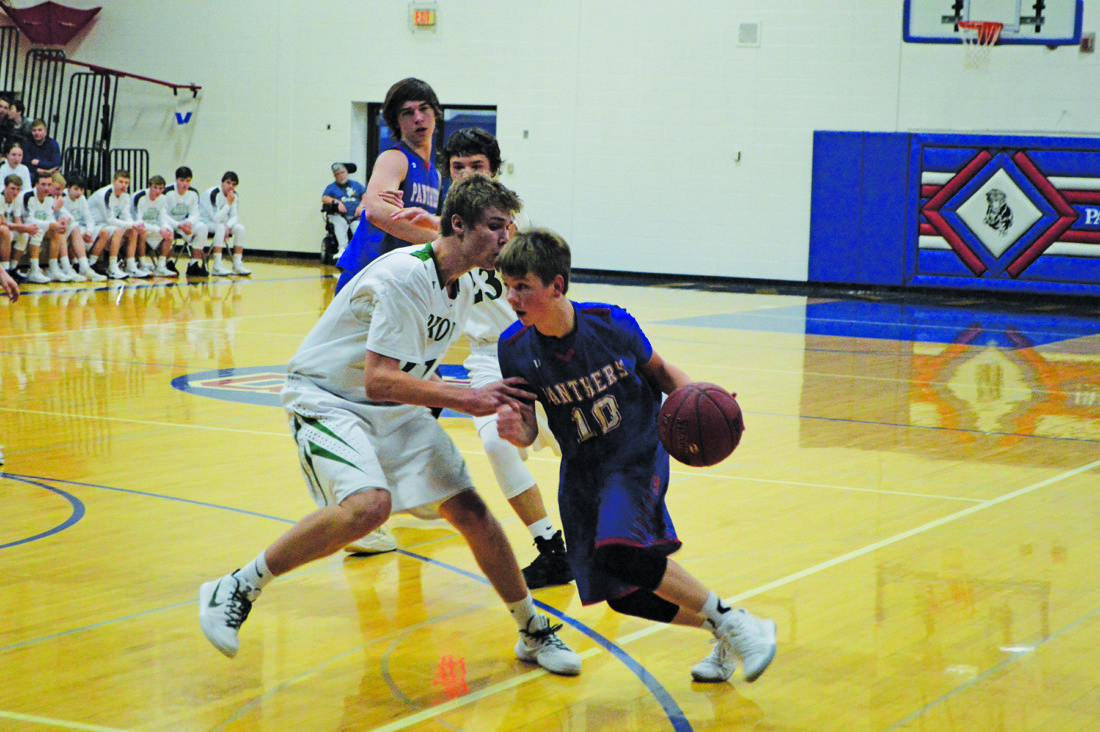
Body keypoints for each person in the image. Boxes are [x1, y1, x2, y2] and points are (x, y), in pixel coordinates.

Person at [198, 175, 582, 677]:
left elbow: (529, 309)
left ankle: (531, 629)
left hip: (393, 407)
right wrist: (469, 399)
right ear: (460, 226)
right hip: (330, 398)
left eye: (508, 226)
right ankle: (237, 586)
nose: (504, 238)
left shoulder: (471, 278)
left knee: (471, 510)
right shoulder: (405, 277)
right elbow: (380, 380)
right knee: (368, 507)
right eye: (494, 227)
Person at [495, 229, 778, 684]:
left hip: (635, 454)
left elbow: (662, 373)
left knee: (622, 551)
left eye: (523, 286)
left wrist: (708, 399)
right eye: (507, 285)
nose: (512, 297)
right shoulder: (513, 349)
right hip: (582, 472)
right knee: (623, 595)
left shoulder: (611, 324)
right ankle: (722, 627)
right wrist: (517, 432)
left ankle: (737, 625)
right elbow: (528, 428)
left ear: (557, 285)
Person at [427, 127, 572, 588]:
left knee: (580, 442)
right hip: (489, 354)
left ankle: (606, 535)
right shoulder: (447, 226)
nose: (466, 175)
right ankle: (551, 547)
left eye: (476, 166)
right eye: (457, 167)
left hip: (537, 342)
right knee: (494, 441)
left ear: (495, 171)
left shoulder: (517, 226)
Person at [335, 77, 441, 292]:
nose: (418, 118)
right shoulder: (395, 158)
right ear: (397, 122)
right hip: (368, 275)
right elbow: (375, 211)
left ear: (436, 113)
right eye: (407, 112)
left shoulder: (435, 174)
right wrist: (443, 241)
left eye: (424, 109)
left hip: (400, 279)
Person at [88, 169, 144, 280]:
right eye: (121, 182)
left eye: (126, 183)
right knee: (118, 230)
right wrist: (130, 225)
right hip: (93, 225)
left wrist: (134, 225)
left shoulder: (125, 197)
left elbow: (126, 216)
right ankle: (112, 267)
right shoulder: (105, 194)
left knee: (133, 230)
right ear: (113, 181)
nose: (123, 185)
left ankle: (131, 265)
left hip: (105, 225)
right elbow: (110, 220)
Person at [19, 172, 70, 283]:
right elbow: (28, 220)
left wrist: (57, 225)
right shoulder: (28, 196)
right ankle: (34, 270)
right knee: (38, 231)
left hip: (37, 227)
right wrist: (50, 224)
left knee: (56, 231)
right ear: (36, 185)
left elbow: (50, 217)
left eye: (49, 184)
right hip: (22, 227)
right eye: (43, 184)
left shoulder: (49, 198)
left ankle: (53, 268)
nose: (46, 188)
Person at [58, 174, 107, 282]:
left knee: (104, 232)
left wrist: (89, 232)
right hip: (68, 229)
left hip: (80, 228)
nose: (78, 193)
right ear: (68, 188)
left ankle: (90, 265)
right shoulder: (62, 198)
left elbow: (89, 218)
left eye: (81, 190)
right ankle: (74, 264)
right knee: (73, 230)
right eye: (76, 189)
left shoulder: (83, 199)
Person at [200, 171, 250, 276]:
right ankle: (217, 265)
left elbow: (235, 216)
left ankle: (237, 264)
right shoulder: (212, 194)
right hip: (205, 223)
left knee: (240, 228)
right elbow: (215, 218)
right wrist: (228, 204)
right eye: (228, 183)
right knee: (220, 228)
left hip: (221, 223)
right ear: (222, 182)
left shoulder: (234, 195)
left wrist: (228, 226)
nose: (230, 187)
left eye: (233, 184)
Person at [163, 166, 209, 277]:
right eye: (182, 180)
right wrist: (179, 225)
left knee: (202, 227)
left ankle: (194, 263)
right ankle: (168, 262)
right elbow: (162, 215)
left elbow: (195, 212)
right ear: (176, 180)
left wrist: (189, 222)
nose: (185, 184)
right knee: (168, 230)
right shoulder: (167, 192)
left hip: (184, 223)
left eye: (187, 181)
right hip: (169, 222)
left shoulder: (193, 193)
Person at [132, 175, 179, 277]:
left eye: (161, 188)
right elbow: (138, 221)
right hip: (137, 228)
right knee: (142, 231)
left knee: (169, 233)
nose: (158, 191)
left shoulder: (163, 198)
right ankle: (142, 263)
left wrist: (164, 228)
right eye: (155, 187)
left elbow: (162, 216)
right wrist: (158, 229)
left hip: (152, 227)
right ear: (149, 186)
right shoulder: (140, 197)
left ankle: (161, 266)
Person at [322, 163, 366, 260]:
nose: (341, 175)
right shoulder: (331, 187)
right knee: (340, 224)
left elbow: (365, 196)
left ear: (347, 173)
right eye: (338, 174)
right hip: (339, 215)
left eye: (343, 172)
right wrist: (337, 202)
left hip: (356, 215)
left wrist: (361, 206)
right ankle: (342, 249)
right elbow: (324, 198)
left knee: (358, 228)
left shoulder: (356, 185)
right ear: (335, 176)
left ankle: (359, 251)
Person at [0, 174, 34, 281]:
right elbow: (3, 222)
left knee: (23, 234)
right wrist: (21, 227)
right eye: (12, 188)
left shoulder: (18, 198)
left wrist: (24, 228)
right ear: (5, 187)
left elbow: (17, 220)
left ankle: (13, 268)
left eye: (18, 189)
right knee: (4, 230)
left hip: (8, 228)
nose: (15, 192)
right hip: (3, 228)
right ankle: (5, 271)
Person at [24, 119, 61, 183]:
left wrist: (39, 163)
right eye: (34, 130)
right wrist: (40, 170)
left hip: (51, 173)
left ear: (45, 131)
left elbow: (56, 163)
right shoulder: (27, 144)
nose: (37, 133)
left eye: (40, 130)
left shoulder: (53, 144)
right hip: (34, 173)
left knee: (59, 179)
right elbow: (25, 163)